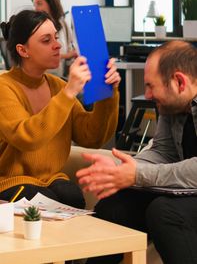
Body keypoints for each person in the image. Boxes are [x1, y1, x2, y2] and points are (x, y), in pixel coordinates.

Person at [77, 40, 197, 264]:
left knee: (164, 212)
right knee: (114, 205)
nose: (148, 95)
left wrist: (137, 175)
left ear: (179, 81)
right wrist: (120, 171)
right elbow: (163, 150)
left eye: (151, 86)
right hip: (188, 189)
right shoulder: (174, 104)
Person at [0, 9, 120, 209]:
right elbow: (27, 137)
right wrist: (69, 92)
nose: (58, 45)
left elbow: (92, 137)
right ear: (23, 50)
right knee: (42, 198)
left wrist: (107, 93)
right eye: (46, 40)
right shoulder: (4, 87)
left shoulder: (58, 85)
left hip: (53, 179)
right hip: (11, 182)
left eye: (56, 37)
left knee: (72, 197)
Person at [31, 0, 76, 77]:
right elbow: (41, 55)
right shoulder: (35, 26)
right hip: (44, 75)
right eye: (34, 5)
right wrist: (68, 55)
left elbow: (69, 47)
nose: (36, 9)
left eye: (39, 4)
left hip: (60, 74)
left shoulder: (62, 23)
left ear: (51, 4)